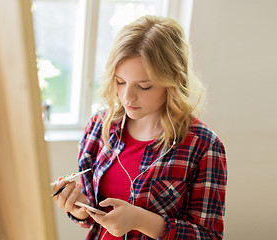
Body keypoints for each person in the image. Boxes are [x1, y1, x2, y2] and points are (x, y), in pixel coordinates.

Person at [52, 15, 227, 240]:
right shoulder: (100, 126)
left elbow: (209, 236)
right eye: (120, 82)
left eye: (143, 86)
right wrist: (80, 208)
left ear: (172, 81)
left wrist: (141, 220)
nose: (127, 97)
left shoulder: (203, 146)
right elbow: (92, 214)